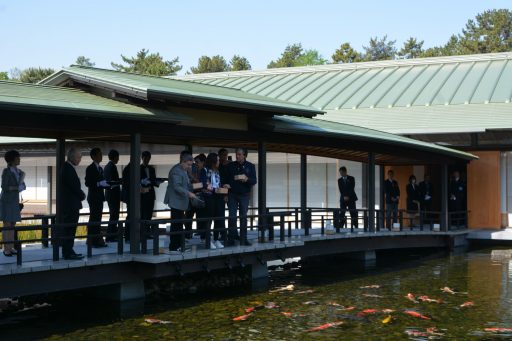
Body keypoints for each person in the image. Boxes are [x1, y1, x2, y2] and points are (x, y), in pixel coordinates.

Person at [164, 151, 197, 253]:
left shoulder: (183, 170)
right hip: (175, 201)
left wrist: (194, 186)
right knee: (176, 224)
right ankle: (174, 247)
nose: (189, 167)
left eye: (190, 165)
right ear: (183, 162)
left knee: (179, 224)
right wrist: (188, 193)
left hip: (180, 201)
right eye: (188, 165)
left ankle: (178, 245)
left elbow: (186, 184)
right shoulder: (176, 171)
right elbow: (177, 186)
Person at [227, 147, 257, 246]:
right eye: (237, 154)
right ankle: (231, 238)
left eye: (240, 154)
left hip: (244, 194)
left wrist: (247, 179)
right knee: (232, 216)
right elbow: (226, 178)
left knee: (243, 217)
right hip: (232, 194)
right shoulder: (231, 165)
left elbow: (254, 181)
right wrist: (226, 185)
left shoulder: (250, 166)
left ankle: (244, 238)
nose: (237, 156)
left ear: (244, 155)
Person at [60, 148, 85, 260]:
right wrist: (82, 195)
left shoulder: (67, 168)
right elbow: (74, 187)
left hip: (70, 204)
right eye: (78, 157)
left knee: (70, 228)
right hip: (70, 204)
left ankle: (69, 250)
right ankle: (68, 252)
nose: (80, 160)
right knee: (69, 228)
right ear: (72, 157)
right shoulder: (68, 168)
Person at [198, 153, 227, 249]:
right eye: (218, 160)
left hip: (218, 197)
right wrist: (212, 188)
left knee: (219, 218)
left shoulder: (217, 171)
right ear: (213, 161)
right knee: (209, 219)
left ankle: (216, 239)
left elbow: (218, 183)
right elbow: (203, 183)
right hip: (209, 197)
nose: (219, 162)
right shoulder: (205, 170)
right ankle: (207, 239)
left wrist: (224, 188)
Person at [1, 150, 26, 257]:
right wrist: (16, 188)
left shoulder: (18, 171)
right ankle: (6, 248)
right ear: (12, 159)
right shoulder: (6, 171)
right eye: (18, 157)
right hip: (7, 201)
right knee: (7, 224)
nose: (19, 159)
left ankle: (11, 247)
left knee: (12, 224)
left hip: (14, 201)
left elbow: (22, 185)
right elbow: (4, 187)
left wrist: (21, 186)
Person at [85, 147, 108, 248]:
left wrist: (106, 184)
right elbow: (88, 183)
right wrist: (98, 183)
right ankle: (92, 240)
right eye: (99, 154)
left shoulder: (100, 168)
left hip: (99, 197)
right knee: (94, 218)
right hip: (93, 197)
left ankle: (96, 239)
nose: (101, 156)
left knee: (98, 218)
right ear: (93, 156)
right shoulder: (90, 168)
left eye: (101, 154)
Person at [184, 153, 206, 239]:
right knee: (189, 215)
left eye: (197, 162)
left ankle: (200, 233)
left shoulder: (204, 171)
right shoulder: (192, 169)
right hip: (191, 195)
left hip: (200, 196)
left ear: (203, 162)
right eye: (194, 162)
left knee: (200, 216)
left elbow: (202, 184)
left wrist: (193, 180)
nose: (195, 164)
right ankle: (188, 233)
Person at [140, 151, 159, 239]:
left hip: (150, 193)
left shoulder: (152, 169)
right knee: (143, 213)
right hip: (143, 194)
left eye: (148, 158)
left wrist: (157, 182)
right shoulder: (138, 168)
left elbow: (154, 180)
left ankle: (147, 232)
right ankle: (142, 232)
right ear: (142, 158)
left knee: (149, 214)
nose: (147, 160)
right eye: (146, 158)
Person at [103, 149, 120, 242]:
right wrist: (119, 182)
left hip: (110, 194)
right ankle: (111, 236)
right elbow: (112, 181)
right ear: (115, 157)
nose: (118, 159)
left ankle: (111, 236)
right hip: (113, 194)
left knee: (113, 215)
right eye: (117, 157)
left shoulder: (107, 167)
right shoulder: (112, 167)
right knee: (114, 215)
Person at [121, 162, 131, 242]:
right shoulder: (129, 169)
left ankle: (128, 236)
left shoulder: (127, 168)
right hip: (130, 197)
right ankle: (128, 236)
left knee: (130, 215)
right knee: (130, 216)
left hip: (129, 196)